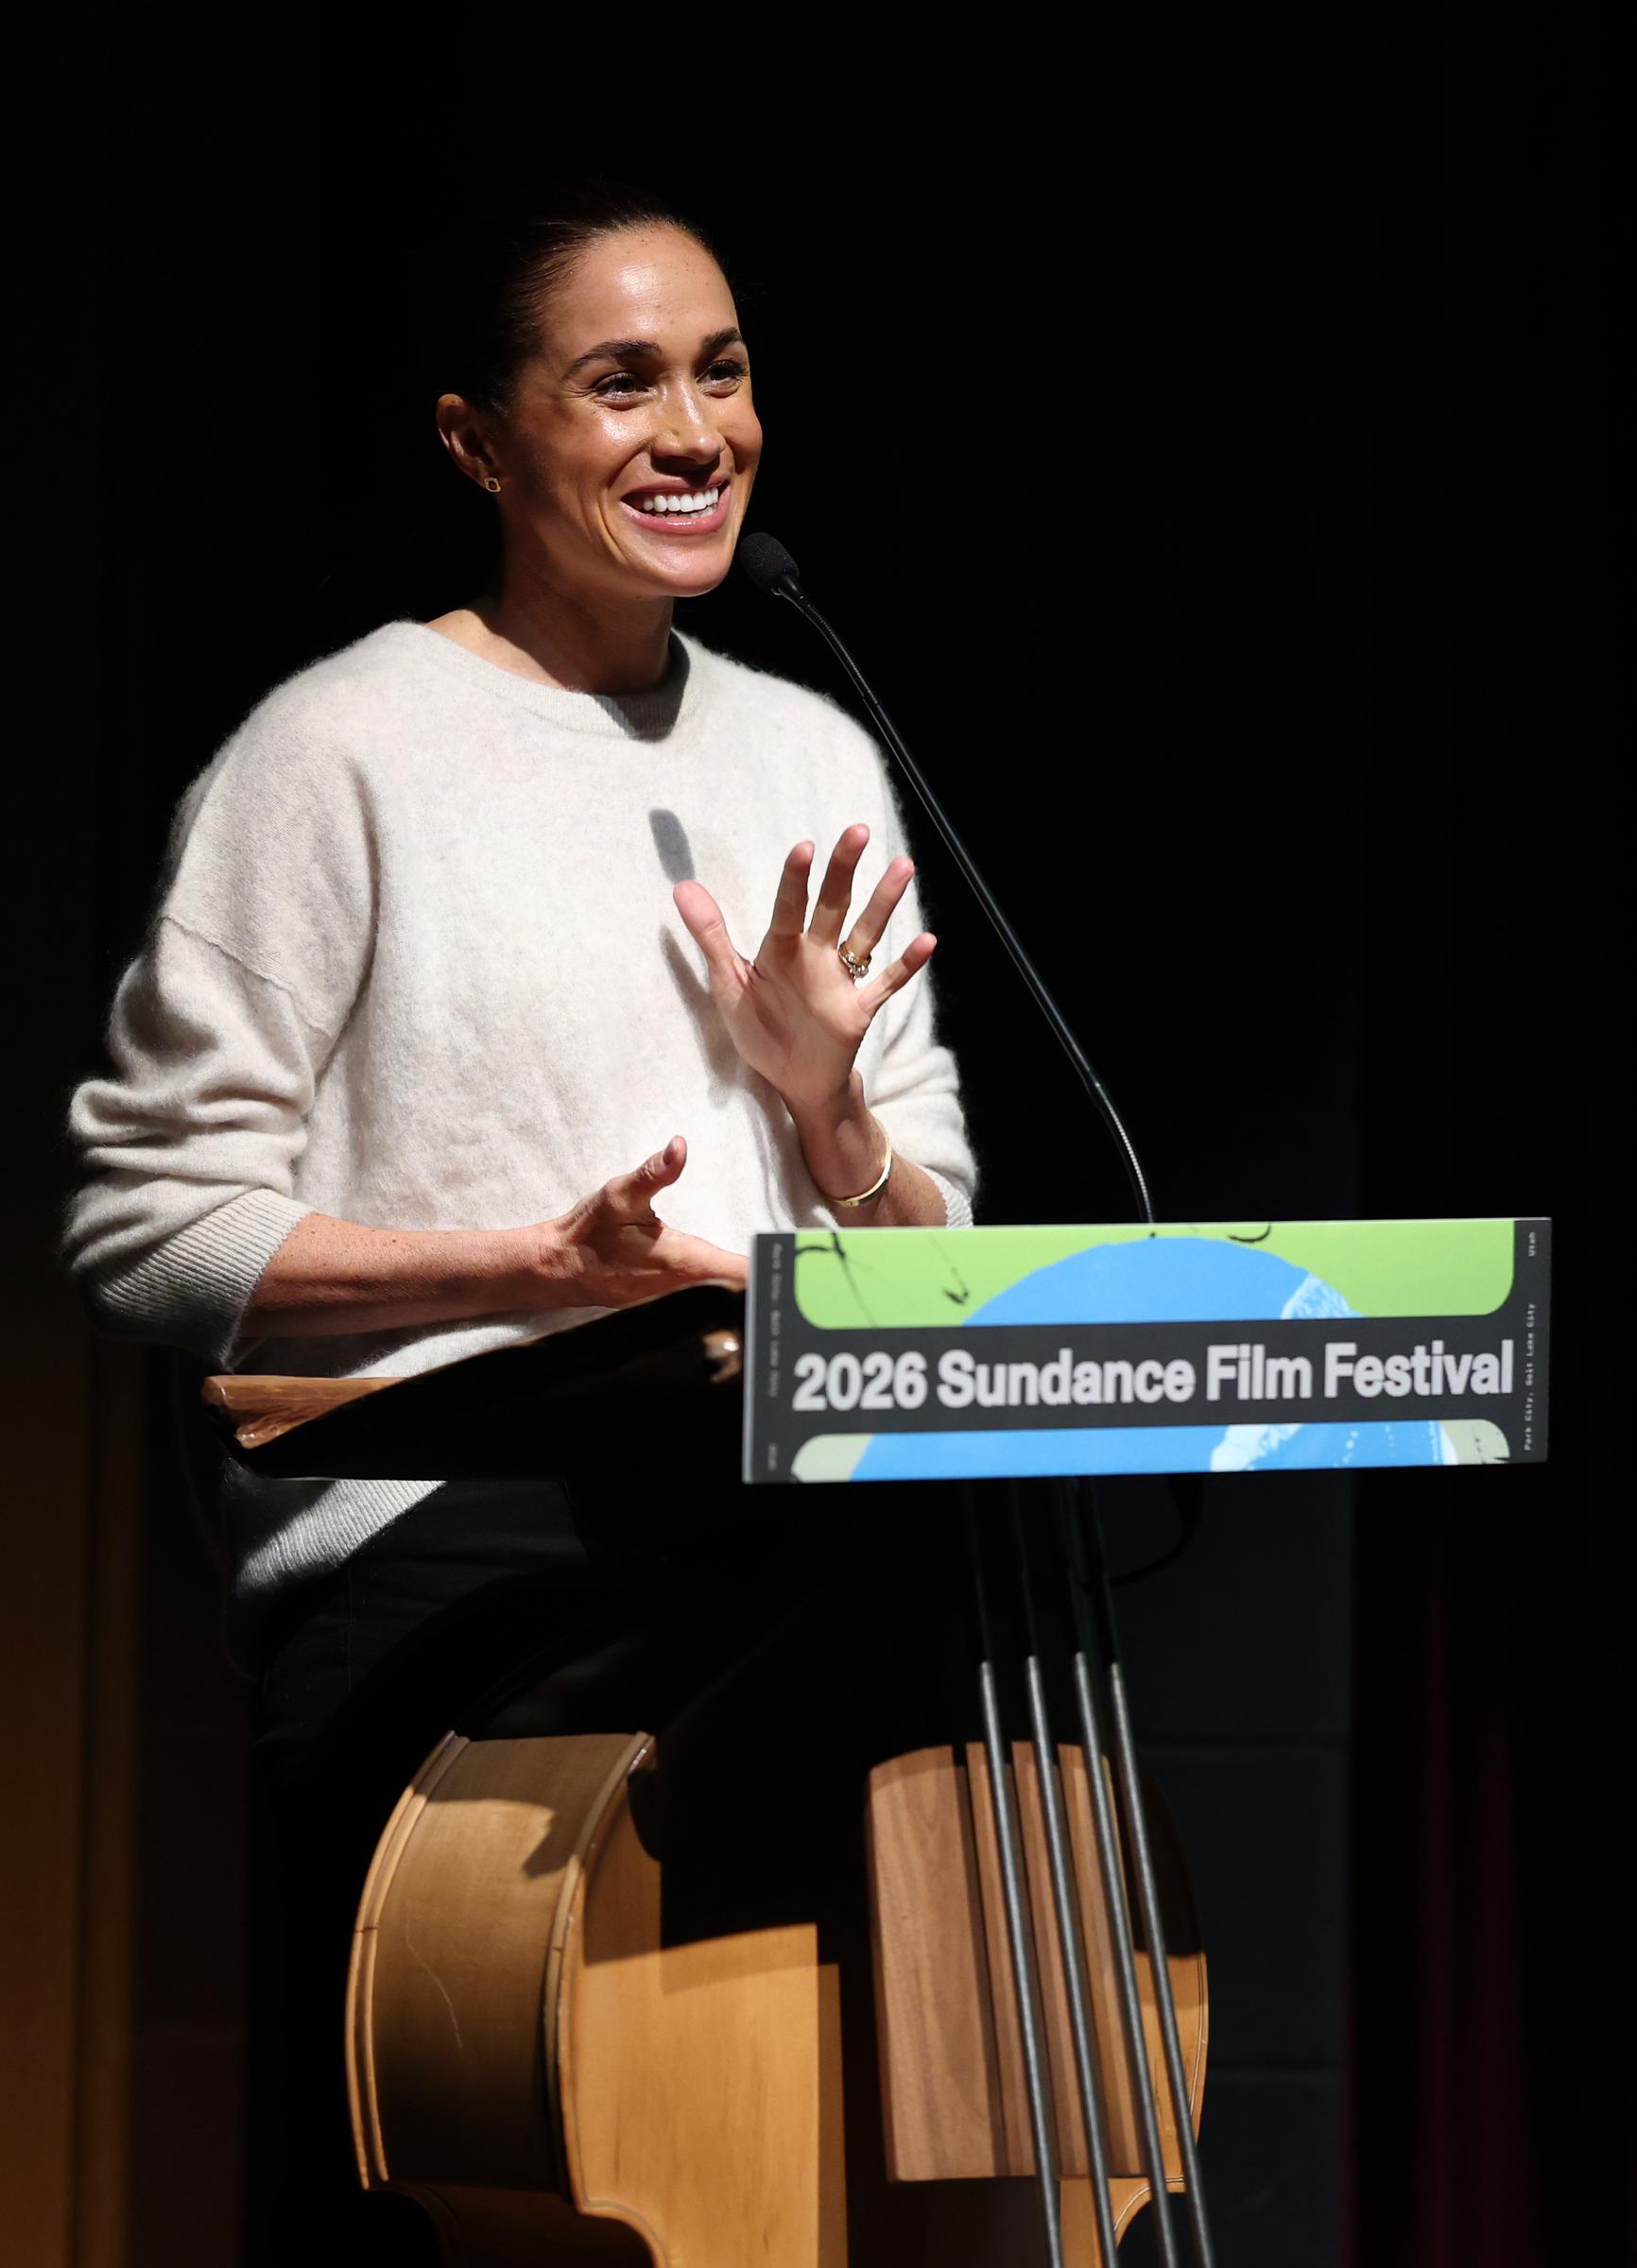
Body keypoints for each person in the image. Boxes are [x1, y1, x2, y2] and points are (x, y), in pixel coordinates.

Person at [62, 178, 975, 2258]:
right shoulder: (340, 755)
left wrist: (828, 1113)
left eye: (723, 373)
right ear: (479, 442)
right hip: (456, 1556)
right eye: (621, 382)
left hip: (781, 1521)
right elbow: (145, 1224)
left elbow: (924, 1264)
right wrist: (533, 1276)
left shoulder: (812, 750)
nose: (695, 432)